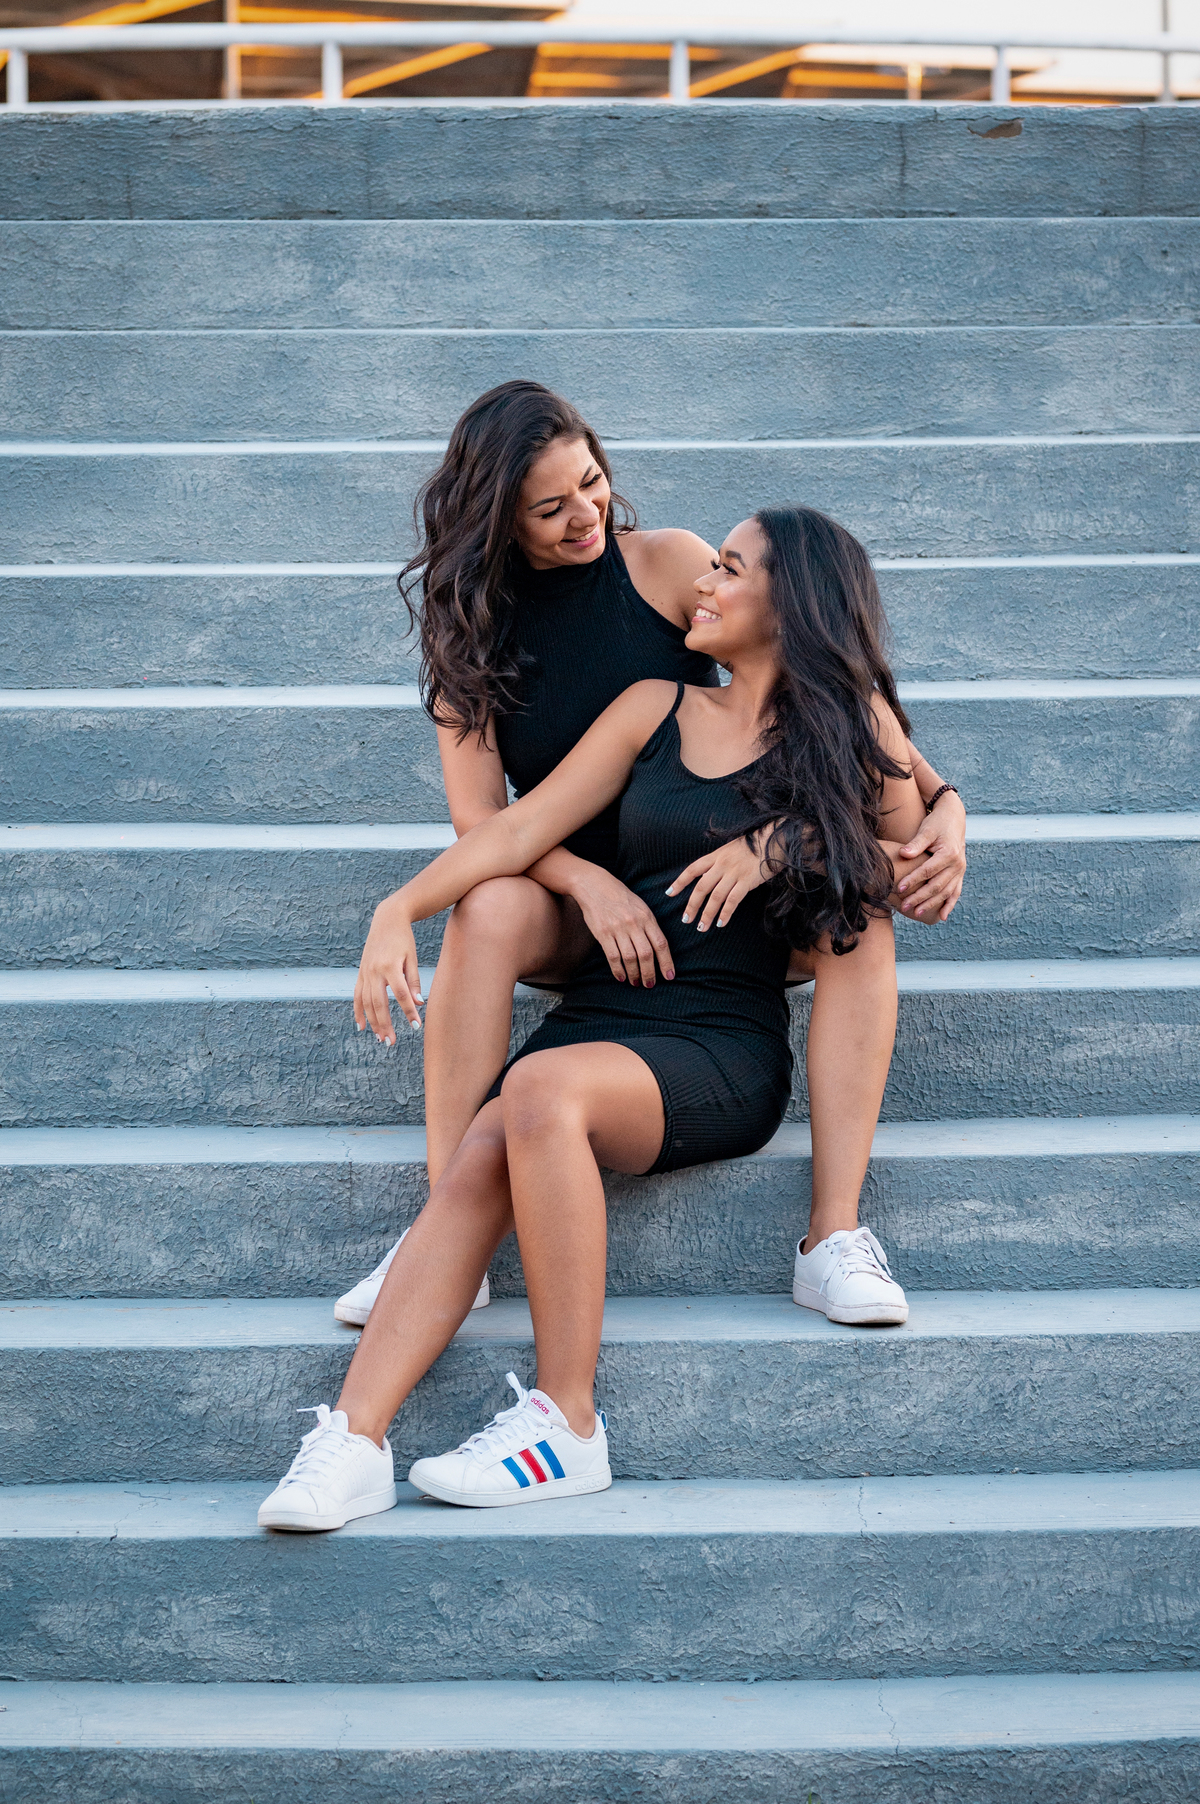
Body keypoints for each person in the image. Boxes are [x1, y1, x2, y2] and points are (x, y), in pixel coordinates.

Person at [258, 504, 931, 1532]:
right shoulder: (653, 706)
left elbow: (916, 871)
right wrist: (400, 907)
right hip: (611, 1011)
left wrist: (781, 845)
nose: (703, 581)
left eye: (731, 568)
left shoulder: (852, 729)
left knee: (532, 1089)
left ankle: (568, 1422)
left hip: (720, 1040)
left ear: (792, 603)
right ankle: (353, 1442)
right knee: (490, 1139)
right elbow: (518, 827)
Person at [331, 381, 965, 1332]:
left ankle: (834, 1234)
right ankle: (445, 1236)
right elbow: (489, 822)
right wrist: (585, 886)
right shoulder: (468, 631)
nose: (585, 514)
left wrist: (945, 805)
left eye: (592, 483)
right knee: (486, 904)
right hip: (580, 901)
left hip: (722, 885)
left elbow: (813, 659)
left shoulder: (668, 564)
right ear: (496, 518)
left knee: (854, 910)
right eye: (550, 507)